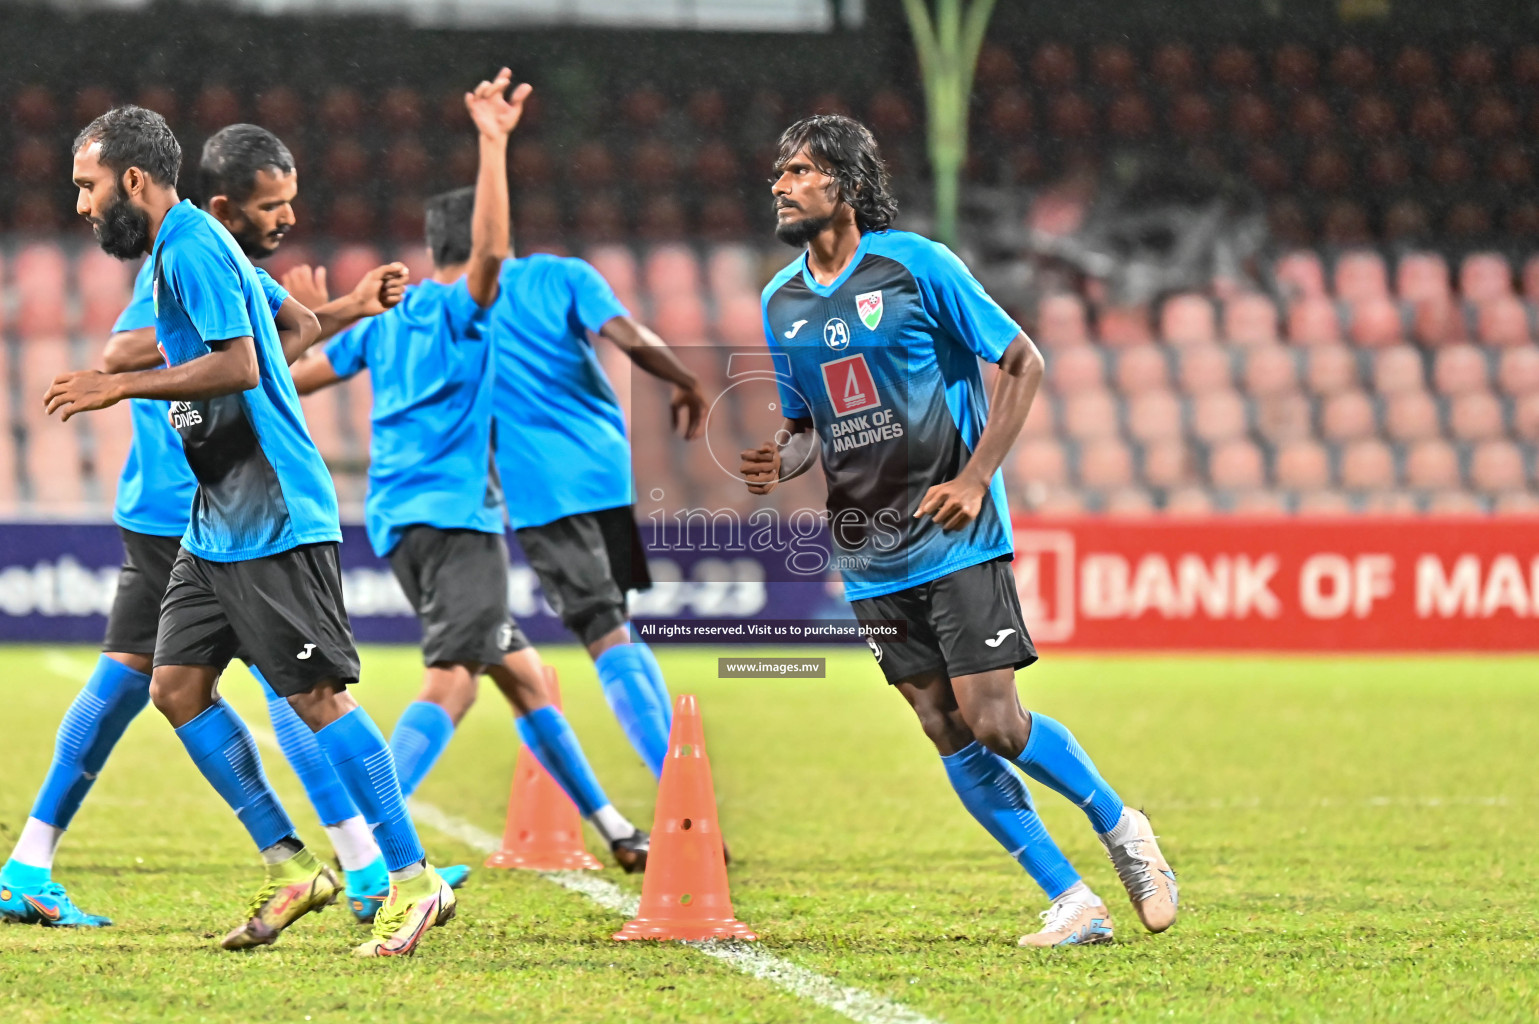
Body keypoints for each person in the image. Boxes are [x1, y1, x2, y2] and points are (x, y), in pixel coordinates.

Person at [739, 115, 1178, 947]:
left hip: (953, 531)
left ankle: (1123, 828)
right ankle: (1070, 901)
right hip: (866, 551)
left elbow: (1021, 360)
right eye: (778, 172)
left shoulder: (917, 266)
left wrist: (974, 477)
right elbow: (804, 422)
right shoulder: (779, 301)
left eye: (798, 171)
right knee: (940, 725)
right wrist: (782, 457)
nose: (780, 185)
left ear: (847, 184)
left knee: (995, 721)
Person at [44, 101, 455, 957]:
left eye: (86, 187)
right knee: (176, 688)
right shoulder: (186, 247)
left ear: (131, 179)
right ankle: (289, 866)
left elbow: (239, 361)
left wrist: (124, 386)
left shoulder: (192, 246)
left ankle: (413, 881)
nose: (80, 205)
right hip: (216, 520)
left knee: (314, 698)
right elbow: (296, 329)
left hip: (273, 512)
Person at [287, 74, 650, 870]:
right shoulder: (459, 310)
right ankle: (372, 850)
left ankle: (617, 829)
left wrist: (308, 320)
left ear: (426, 249)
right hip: (457, 518)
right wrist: (494, 142)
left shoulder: (384, 318)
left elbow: (296, 375)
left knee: (521, 674)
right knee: (453, 677)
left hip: (396, 519)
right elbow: (490, 256)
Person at [480, 205, 707, 783]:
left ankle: (676, 785)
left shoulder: (458, 304)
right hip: (604, 471)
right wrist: (682, 378)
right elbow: (627, 335)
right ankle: (680, 772)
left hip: (541, 485)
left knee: (604, 632)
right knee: (619, 622)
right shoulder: (568, 274)